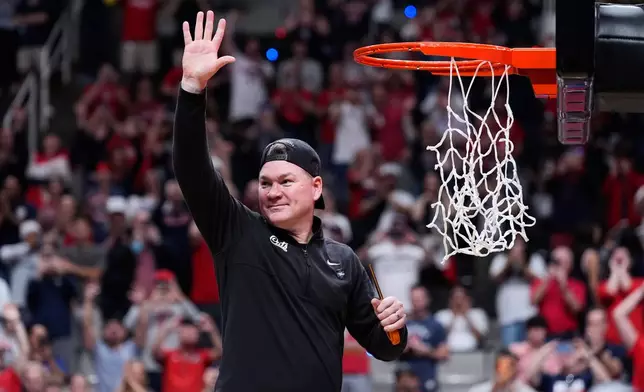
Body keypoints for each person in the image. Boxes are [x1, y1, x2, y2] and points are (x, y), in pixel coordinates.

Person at [172, 10, 408, 392]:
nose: (272, 191)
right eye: (265, 182)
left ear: (316, 188)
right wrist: (191, 90)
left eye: (285, 181)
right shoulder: (237, 231)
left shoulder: (344, 261)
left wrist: (395, 327)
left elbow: (386, 348)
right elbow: (191, 169)